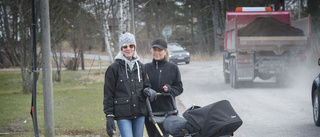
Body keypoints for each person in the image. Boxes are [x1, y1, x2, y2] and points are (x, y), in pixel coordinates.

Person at [103, 32, 156, 137]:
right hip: (122, 114)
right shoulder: (113, 68)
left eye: (131, 46)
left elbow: (146, 85)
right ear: (121, 49)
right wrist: (109, 115)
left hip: (139, 113)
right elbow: (108, 93)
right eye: (125, 46)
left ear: (134, 47)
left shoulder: (141, 67)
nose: (128, 49)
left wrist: (148, 91)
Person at [145, 38, 184, 137]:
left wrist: (169, 89)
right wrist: (147, 91)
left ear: (165, 51)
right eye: (154, 50)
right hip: (150, 112)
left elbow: (179, 87)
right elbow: (141, 87)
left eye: (159, 50)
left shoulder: (173, 68)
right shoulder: (145, 68)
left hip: (167, 113)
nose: (156, 52)